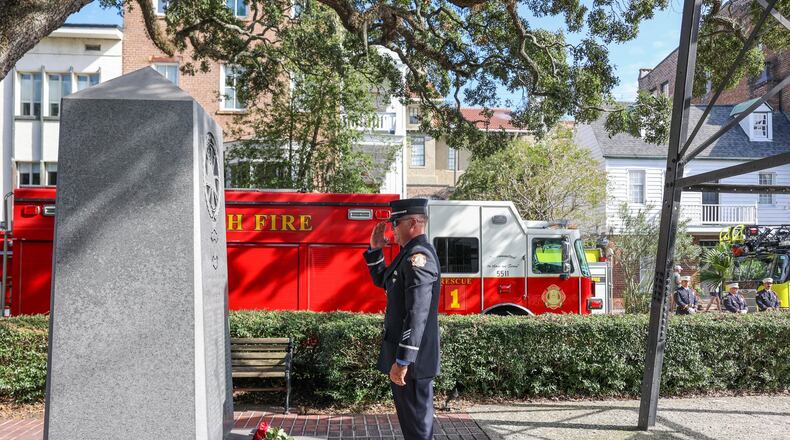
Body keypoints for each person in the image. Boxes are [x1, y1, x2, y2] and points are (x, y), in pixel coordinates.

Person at [363, 198, 441, 440]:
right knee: (412, 427)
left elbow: (417, 313)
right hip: (408, 360)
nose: (393, 229)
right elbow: (383, 280)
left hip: (413, 362)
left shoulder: (419, 257)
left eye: (396, 223)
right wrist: (376, 249)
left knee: (417, 429)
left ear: (414, 223)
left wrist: (404, 360)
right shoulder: (407, 254)